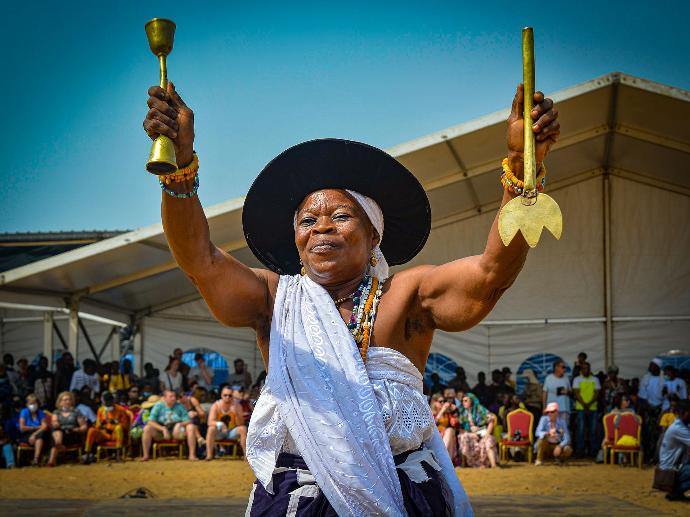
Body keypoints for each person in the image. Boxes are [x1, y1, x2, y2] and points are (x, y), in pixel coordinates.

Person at [143, 77, 559, 515]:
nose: (321, 227)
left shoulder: (407, 297)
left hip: (403, 496)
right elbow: (200, 261)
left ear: (373, 234)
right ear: (296, 239)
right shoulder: (275, 300)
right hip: (297, 502)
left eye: (341, 216)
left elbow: (492, 272)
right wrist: (180, 164)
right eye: (307, 221)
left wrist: (520, 163)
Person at [140, 390, 198, 461]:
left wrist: (180, 424)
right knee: (147, 428)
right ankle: (145, 455)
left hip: (177, 431)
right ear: (164, 398)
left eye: (174, 396)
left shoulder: (179, 406)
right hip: (161, 431)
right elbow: (150, 421)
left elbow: (189, 420)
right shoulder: (158, 406)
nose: (173, 398)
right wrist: (162, 429)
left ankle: (192, 455)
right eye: (171, 396)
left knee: (191, 427)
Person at [83, 391, 130, 463]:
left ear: (112, 401)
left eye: (108, 402)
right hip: (105, 434)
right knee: (91, 430)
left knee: (118, 428)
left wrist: (116, 422)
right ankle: (87, 455)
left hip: (116, 434)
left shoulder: (121, 410)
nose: (106, 404)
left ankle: (118, 456)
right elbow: (97, 426)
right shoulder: (101, 410)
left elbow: (126, 426)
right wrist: (102, 424)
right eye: (105, 403)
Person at [657, 399, 690, 501]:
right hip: (669, 473)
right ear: (683, 413)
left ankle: (676, 491)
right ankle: (675, 491)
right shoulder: (678, 428)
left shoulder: (681, 425)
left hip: (671, 469)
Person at [206, 385, 248, 460]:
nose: (227, 397)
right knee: (211, 429)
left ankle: (246, 456)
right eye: (225, 395)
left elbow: (240, 424)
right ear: (221, 395)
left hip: (231, 432)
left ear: (232, 396)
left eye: (230, 395)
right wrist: (221, 424)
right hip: (220, 433)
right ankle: (209, 455)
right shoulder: (216, 405)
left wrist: (236, 414)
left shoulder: (237, 406)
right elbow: (210, 422)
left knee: (243, 429)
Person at [457, 393, 497, 468]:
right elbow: (461, 427)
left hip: (483, 432)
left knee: (488, 440)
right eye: (463, 401)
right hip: (470, 434)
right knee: (463, 437)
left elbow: (491, 420)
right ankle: (465, 464)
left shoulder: (479, 409)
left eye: (466, 400)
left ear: (471, 401)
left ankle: (493, 465)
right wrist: (471, 433)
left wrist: (486, 435)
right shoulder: (463, 412)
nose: (463, 403)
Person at [48, 391, 87, 466]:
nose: (67, 401)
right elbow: (54, 421)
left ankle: (52, 458)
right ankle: (57, 449)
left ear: (72, 401)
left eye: (69, 399)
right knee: (56, 431)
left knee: (56, 437)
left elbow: (84, 426)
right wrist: (56, 424)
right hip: (59, 432)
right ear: (60, 402)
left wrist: (78, 429)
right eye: (65, 400)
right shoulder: (56, 412)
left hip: (71, 433)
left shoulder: (76, 411)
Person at [572, 361, 601, 457]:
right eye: (584, 368)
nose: (586, 370)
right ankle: (580, 452)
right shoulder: (577, 379)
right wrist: (585, 405)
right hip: (581, 408)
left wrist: (588, 405)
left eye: (587, 368)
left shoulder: (595, 379)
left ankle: (593, 452)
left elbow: (597, 394)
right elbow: (576, 394)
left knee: (593, 431)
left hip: (593, 408)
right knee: (580, 430)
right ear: (581, 370)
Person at [640, 358, 665, 461]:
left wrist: (661, 407)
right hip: (648, 409)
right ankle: (648, 455)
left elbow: (666, 396)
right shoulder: (646, 378)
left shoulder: (665, 378)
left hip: (661, 409)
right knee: (648, 433)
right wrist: (648, 406)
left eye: (652, 365)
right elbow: (642, 395)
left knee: (659, 433)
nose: (650, 367)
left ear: (658, 367)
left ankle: (657, 456)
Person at [18, 394, 49, 466]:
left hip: (37, 433)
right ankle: (38, 459)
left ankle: (36, 459)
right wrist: (36, 427)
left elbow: (44, 426)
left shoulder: (40, 412)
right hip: (26, 434)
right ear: (27, 404)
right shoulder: (24, 412)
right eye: (31, 403)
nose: (33, 405)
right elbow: (22, 427)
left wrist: (34, 434)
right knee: (40, 436)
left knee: (41, 435)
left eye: (35, 403)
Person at [431, 393, 459, 463]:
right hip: (435, 437)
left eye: (444, 401)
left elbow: (456, 425)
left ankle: (445, 459)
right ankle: (443, 458)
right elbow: (433, 425)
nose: (443, 403)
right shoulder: (430, 413)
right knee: (449, 431)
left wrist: (455, 411)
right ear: (434, 403)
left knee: (450, 430)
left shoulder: (447, 414)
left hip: (446, 438)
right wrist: (442, 411)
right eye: (440, 402)